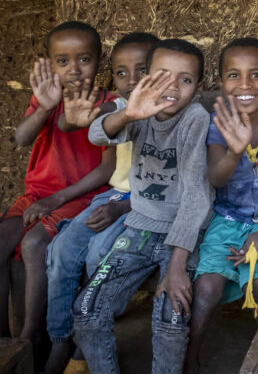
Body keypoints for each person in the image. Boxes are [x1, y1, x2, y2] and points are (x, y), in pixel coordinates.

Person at [72, 39, 212, 373]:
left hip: (181, 236)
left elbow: (196, 197)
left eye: (185, 80)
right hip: (139, 228)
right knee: (86, 308)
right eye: (162, 76)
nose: (172, 88)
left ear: (199, 88)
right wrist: (129, 113)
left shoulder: (195, 118)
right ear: (146, 77)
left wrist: (177, 265)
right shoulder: (139, 110)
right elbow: (96, 135)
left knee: (171, 314)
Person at [0, 21, 116, 366]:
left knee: (35, 244)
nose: (74, 69)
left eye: (84, 59)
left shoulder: (110, 105)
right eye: (63, 62)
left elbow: (106, 171)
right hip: (37, 193)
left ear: (100, 61)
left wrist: (57, 199)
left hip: (79, 197)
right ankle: (6, 342)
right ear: (51, 65)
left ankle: (33, 336)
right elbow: (21, 139)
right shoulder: (44, 100)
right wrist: (45, 108)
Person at [185, 38, 258, 373]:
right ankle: (190, 356)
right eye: (233, 76)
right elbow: (216, 179)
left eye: (256, 75)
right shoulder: (217, 122)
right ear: (220, 83)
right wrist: (235, 150)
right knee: (206, 288)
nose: (245, 85)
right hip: (227, 219)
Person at [44, 31, 159, 373]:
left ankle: (88, 338)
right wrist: (78, 117)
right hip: (114, 196)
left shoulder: (170, 115)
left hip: (142, 205)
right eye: (121, 73)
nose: (131, 80)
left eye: (142, 70)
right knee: (62, 249)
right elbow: (82, 120)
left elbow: (166, 190)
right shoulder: (120, 110)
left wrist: (121, 208)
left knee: (97, 255)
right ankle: (61, 338)